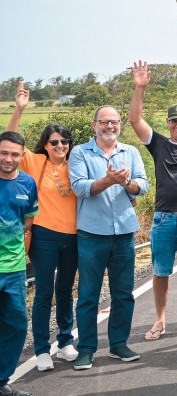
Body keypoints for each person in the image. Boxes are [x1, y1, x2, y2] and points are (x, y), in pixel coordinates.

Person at [128, 61, 177, 344]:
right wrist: (140, 88)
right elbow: (136, 121)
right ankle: (160, 320)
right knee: (160, 272)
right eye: (174, 121)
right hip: (163, 218)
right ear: (168, 123)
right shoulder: (158, 144)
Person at [6, 83, 80, 371]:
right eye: (54, 142)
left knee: (65, 291)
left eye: (64, 142)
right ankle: (41, 350)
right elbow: (9, 142)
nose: (60, 146)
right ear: (45, 145)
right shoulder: (35, 163)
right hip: (45, 238)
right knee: (44, 292)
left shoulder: (78, 164)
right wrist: (20, 109)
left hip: (73, 238)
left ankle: (65, 342)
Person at [69, 105, 149, 370]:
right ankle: (87, 349)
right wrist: (108, 180)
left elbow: (143, 186)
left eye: (114, 122)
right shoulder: (80, 152)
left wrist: (125, 183)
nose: (110, 127)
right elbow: (80, 187)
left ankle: (118, 344)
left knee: (123, 293)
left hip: (124, 232)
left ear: (120, 125)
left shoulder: (131, 152)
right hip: (92, 234)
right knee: (89, 294)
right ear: (95, 125)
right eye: (104, 122)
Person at [0, 131, 38, 396]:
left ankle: (1, 381)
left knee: (16, 326)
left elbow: (28, 223)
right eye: (3, 152)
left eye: (14, 154)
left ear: (22, 156)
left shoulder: (28, 183)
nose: (8, 158)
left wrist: (20, 255)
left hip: (13, 269)